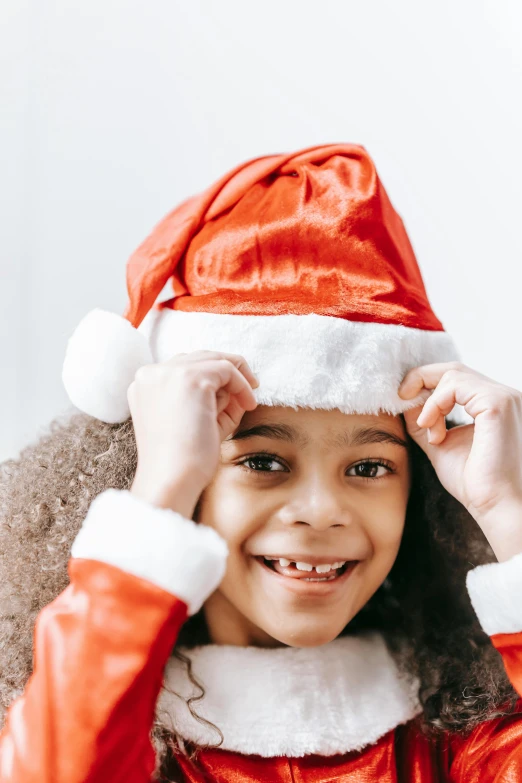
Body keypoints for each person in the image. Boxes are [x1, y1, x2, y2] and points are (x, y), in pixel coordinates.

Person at [1, 142, 522, 782]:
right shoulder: (98, 723)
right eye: (264, 461)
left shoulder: (461, 733)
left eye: (368, 468)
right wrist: (157, 494)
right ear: (185, 472)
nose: (322, 511)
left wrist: (507, 513)